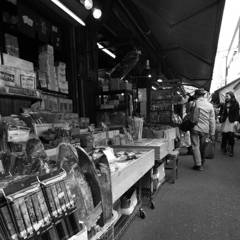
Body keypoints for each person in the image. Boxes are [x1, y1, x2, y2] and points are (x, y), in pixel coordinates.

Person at [190, 89, 216, 171]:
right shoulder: (210, 105)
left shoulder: (193, 103)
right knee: (203, 146)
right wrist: (212, 133)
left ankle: (198, 164)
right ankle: (202, 161)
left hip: (195, 128)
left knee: (195, 146)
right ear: (204, 95)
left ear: (196, 95)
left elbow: (188, 113)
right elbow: (212, 120)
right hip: (205, 129)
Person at [219, 91, 239, 157]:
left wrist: (236, 120)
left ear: (231, 96)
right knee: (224, 135)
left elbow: (237, 113)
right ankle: (224, 147)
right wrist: (220, 117)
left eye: (227, 96)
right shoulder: (224, 104)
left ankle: (231, 150)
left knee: (231, 136)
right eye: (226, 96)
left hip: (232, 121)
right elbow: (222, 112)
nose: (226, 97)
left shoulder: (236, 104)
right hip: (225, 121)